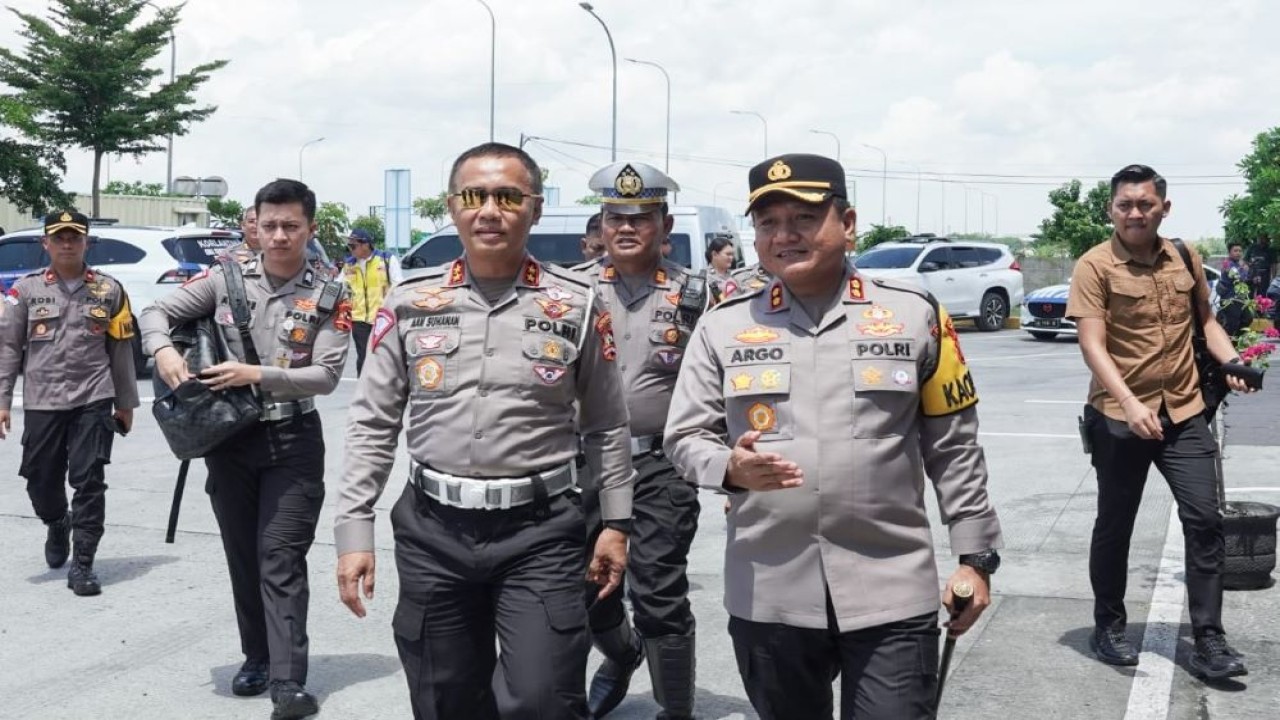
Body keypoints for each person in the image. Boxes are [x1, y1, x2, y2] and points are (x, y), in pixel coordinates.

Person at [665, 154, 1002, 719]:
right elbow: (684, 437)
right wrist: (729, 467)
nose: (784, 236)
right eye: (768, 223)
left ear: (847, 224)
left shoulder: (914, 316)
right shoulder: (722, 325)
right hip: (769, 590)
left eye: (803, 218)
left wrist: (976, 558)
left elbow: (954, 447)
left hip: (891, 587)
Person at [334, 142, 633, 720]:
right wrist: (354, 531)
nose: (489, 210)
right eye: (474, 196)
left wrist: (616, 523)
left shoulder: (575, 304)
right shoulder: (411, 302)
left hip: (540, 532)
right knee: (444, 697)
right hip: (433, 529)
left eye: (507, 196)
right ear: (452, 207)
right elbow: (373, 423)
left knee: (543, 699)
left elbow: (605, 424)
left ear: (536, 208)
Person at [141, 179, 352, 719]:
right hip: (231, 440)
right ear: (255, 224)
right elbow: (154, 313)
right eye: (270, 224)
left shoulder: (331, 293)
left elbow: (326, 376)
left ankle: (287, 682)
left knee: (280, 557)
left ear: (310, 228)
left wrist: (254, 373)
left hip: (294, 441)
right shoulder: (224, 279)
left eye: (291, 226)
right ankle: (255, 656)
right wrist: (163, 352)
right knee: (244, 555)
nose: (279, 236)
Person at [1067, 163, 1250, 680]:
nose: (1134, 213)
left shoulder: (1185, 257)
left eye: (1145, 204)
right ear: (1111, 209)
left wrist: (1231, 361)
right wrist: (1128, 402)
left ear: (1163, 208)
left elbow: (1207, 322)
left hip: (1185, 411)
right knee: (1115, 524)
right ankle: (1109, 625)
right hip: (1119, 417)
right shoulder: (1094, 266)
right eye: (1125, 204)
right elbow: (1092, 345)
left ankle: (1209, 639)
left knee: (1206, 519)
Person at [580, 161, 705, 719]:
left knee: (658, 593)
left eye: (641, 217)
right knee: (584, 589)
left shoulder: (699, 297)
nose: (626, 228)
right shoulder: (570, 292)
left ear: (665, 223)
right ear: (602, 225)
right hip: (580, 465)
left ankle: (674, 708)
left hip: (660, 467)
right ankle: (623, 655)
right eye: (615, 217)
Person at [0, 210, 139, 597]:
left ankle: (83, 565)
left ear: (86, 242)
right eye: (58, 237)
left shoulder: (109, 290)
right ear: (45, 243)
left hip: (93, 398)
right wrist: (3, 401)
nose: (66, 244)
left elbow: (121, 349)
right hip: (43, 400)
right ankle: (58, 520)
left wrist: (125, 403)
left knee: (89, 481)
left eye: (74, 237)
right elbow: (8, 348)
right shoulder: (24, 291)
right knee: (40, 479)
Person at [342, 228, 403, 375]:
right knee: (363, 358)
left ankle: (386, 390)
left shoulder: (386, 260)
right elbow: (339, 286)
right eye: (349, 246)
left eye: (353, 246)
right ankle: (364, 392)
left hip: (382, 319)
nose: (350, 249)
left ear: (365, 245)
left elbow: (399, 286)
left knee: (384, 357)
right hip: (359, 319)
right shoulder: (349, 265)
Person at [1216, 240, 1253, 337]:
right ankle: (1228, 345)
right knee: (1232, 324)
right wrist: (1244, 269)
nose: (1238, 253)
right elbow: (1238, 277)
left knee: (1248, 318)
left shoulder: (1239, 264)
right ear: (1229, 252)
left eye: (1240, 251)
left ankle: (1235, 342)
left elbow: (1245, 279)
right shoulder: (1227, 264)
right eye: (1235, 251)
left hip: (1240, 299)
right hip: (1230, 299)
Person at [705, 234, 736, 301]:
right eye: (728, 254)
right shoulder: (704, 278)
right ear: (714, 254)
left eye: (732, 254)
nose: (731, 258)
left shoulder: (735, 275)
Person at [1245, 233, 1277, 298]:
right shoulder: (1252, 247)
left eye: (1263, 238)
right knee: (1249, 295)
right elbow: (1245, 261)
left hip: (1265, 275)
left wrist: (1273, 278)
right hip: (1252, 275)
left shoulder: (1271, 250)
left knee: (1262, 295)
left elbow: (1274, 265)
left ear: (1267, 239)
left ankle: (1261, 307)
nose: (1261, 240)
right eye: (1259, 238)